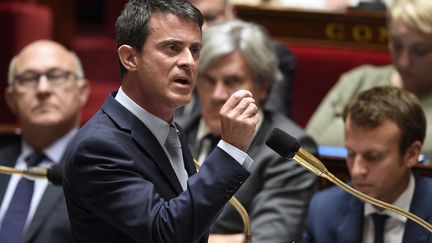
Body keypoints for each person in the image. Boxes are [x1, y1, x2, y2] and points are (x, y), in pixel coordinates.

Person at [62, 1, 260, 243]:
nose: (189, 61)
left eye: (195, 50)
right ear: (130, 58)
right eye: (172, 48)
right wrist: (230, 150)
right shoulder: (98, 147)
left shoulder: (170, 130)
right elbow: (166, 233)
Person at [180, 20, 318, 243]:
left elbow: (269, 238)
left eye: (232, 81)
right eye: (208, 80)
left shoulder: (288, 151)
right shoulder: (174, 133)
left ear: (263, 88)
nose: (217, 95)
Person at [301, 86, 432, 243]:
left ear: (411, 154)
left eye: (373, 157)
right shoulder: (324, 209)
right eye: (350, 153)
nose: (356, 171)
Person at [306, 0, 432, 161]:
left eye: (419, 51)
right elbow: (309, 145)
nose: (404, 61)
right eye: (397, 45)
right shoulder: (358, 81)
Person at [0, 39, 90, 243]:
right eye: (28, 78)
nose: (43, 89)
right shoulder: (2, 160)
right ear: (11, 99)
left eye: (57, 76)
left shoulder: (101, 167)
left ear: (82, 92)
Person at [181, 0, 296, 118]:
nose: (201, 29)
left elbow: (272, 122)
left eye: (210, 18)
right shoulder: (181, 54)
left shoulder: (268, 53)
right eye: (192, 21)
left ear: (231, 13)